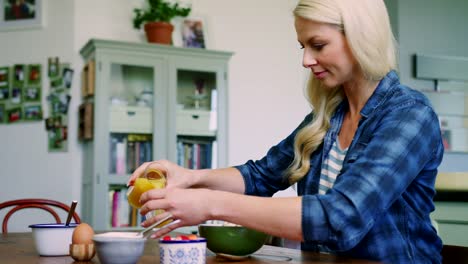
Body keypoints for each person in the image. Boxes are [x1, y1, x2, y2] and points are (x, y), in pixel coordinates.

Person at [127, 0, 444, 262]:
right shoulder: (327, 116)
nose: (306, 60)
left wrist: (209, 203)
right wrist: (191, 177)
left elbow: (341, 216)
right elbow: (260, 176)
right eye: (303, 46)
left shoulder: (409, 115)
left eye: (318, 45)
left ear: (361, 38)